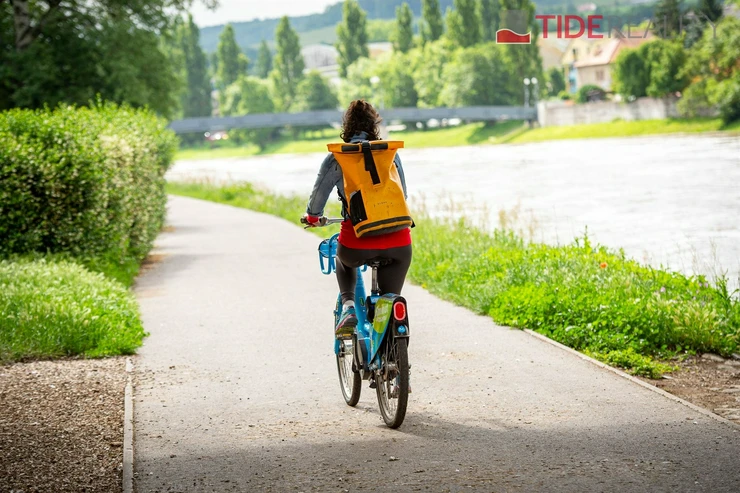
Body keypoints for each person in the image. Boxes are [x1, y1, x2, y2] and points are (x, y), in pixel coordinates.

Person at [304, 100, 412, 338]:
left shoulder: (338, 157)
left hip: (357, 241)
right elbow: (402, 195)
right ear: (375, 125)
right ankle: (392, 338)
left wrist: (312, 217)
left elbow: (318, 198)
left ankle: (349, 306)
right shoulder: (390, 153)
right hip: (399, 242)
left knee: (343, 260)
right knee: (390, 301)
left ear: (346, 126)